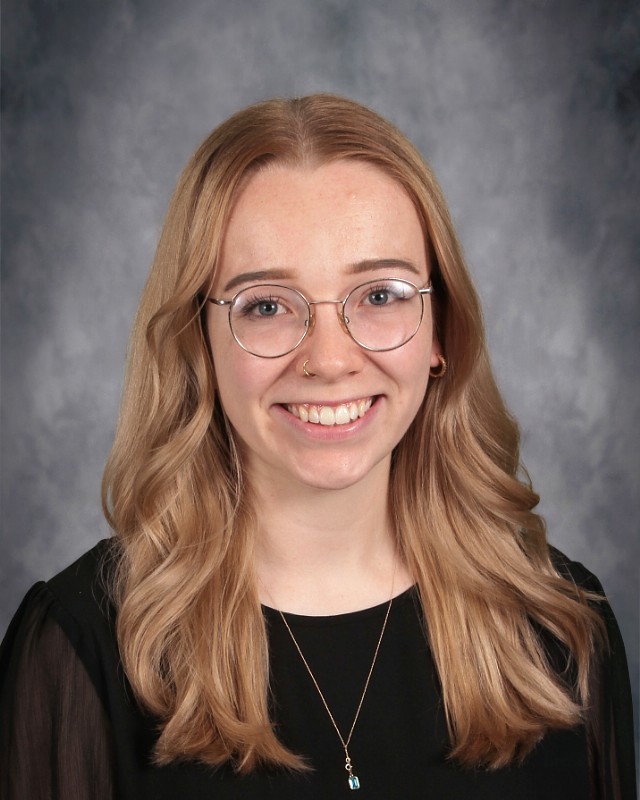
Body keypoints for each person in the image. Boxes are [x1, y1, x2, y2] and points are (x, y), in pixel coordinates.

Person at [0, 94, 635, 800]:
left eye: (381, 295)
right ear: (197, 345)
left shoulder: (565, 626)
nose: (330, 360)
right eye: (266, 305)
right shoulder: (78, 648)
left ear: (440, 335)